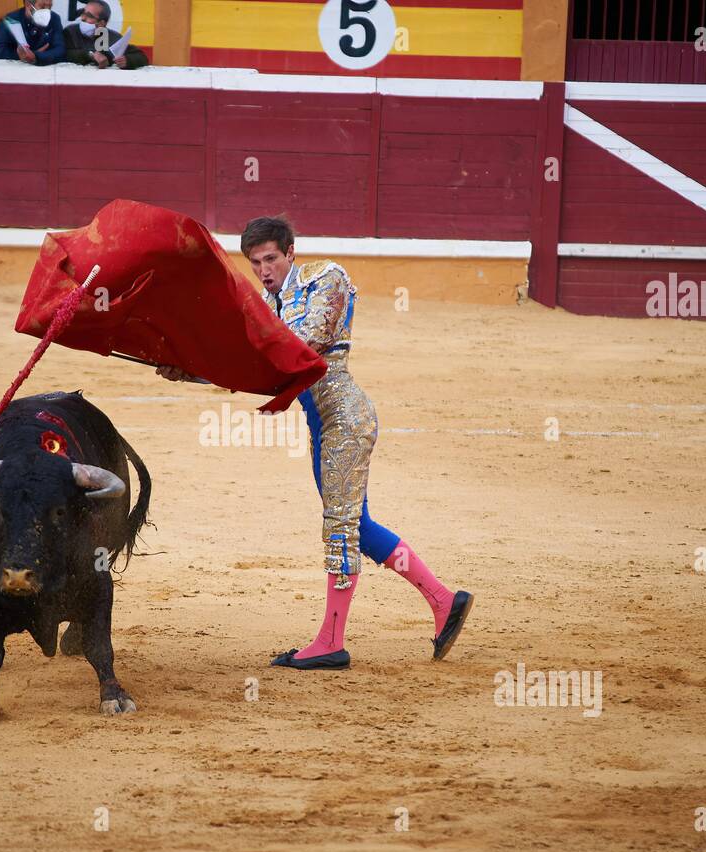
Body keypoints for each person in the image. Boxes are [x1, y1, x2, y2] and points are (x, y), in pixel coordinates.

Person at [157, 216, 473, 670]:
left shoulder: (327, 277)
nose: (264, 270)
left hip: (345, 417)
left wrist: (229, 351)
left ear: (290, 252)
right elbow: (252, 371)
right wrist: (188, 369)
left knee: (340, 526)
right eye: (255, 263)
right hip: (322, 425)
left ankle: (331, 641)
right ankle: (444, 601)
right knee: (356, 525)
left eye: (271, 259)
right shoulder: (266, 306)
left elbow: (300, 345)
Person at [63, 0, 150, 70]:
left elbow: (142, 57)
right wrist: (90, 55)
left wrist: (128, 60)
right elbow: (63, 53)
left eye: (89, 16)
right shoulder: (71, 31)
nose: (83, 18)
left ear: (101, 23)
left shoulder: (113, 37)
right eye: (83, 13)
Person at [0, 0, 65, 65]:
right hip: (16, 71)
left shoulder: (54, 18)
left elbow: (60, 50)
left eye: (49, 7)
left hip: (44, 71)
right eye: (42, 7)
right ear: (28, 4)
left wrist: (36, 56)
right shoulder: (11, 20)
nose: (47, 11)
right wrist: (20, 55)